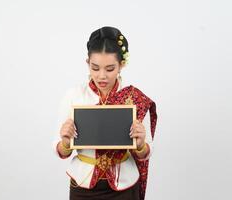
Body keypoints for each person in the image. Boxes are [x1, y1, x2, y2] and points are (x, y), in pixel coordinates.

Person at [53, 26, 157, 200]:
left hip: (124, 186)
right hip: (83, 185)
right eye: (95, 68)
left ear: (121, 65)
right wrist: (65, 142)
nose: (102, 76)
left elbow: (147, 151)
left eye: (110, 69)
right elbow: (61, 151)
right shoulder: (74, 96)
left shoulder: (135, 98)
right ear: (87, 63)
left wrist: (140, 145)